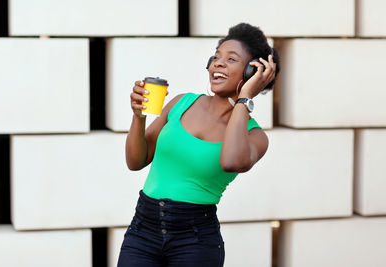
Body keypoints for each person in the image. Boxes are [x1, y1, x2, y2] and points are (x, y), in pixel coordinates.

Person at [117, 22, 280, 267]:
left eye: (231, 59)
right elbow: (135, 161)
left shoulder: (255, 136)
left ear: (251, 72)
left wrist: (244, 99)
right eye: (216, 57)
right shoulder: (181, 103)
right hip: (143, 231)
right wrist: (138, 117)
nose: (218, 63)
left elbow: (231, 161)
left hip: (194, 240)